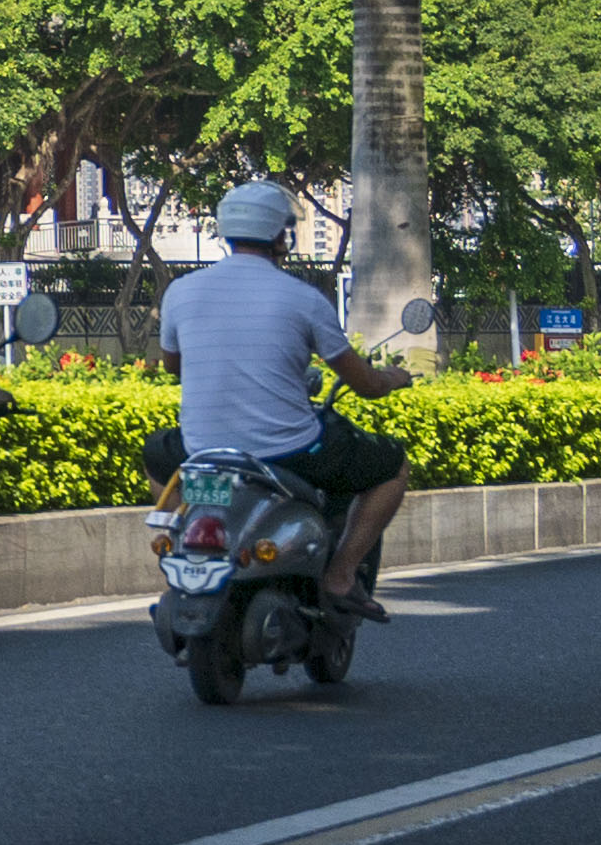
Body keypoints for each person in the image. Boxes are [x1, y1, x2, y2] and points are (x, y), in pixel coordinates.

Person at [156, 177, 417, 616]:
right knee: (393, 466)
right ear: (281, 235)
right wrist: (393, 378)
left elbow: (173, 366)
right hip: (290, 450)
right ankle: (339, 575)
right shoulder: (303, 299)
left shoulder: (180, 291)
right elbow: (365, 386)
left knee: (156, 451)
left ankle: (184, 535)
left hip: (203, 450)